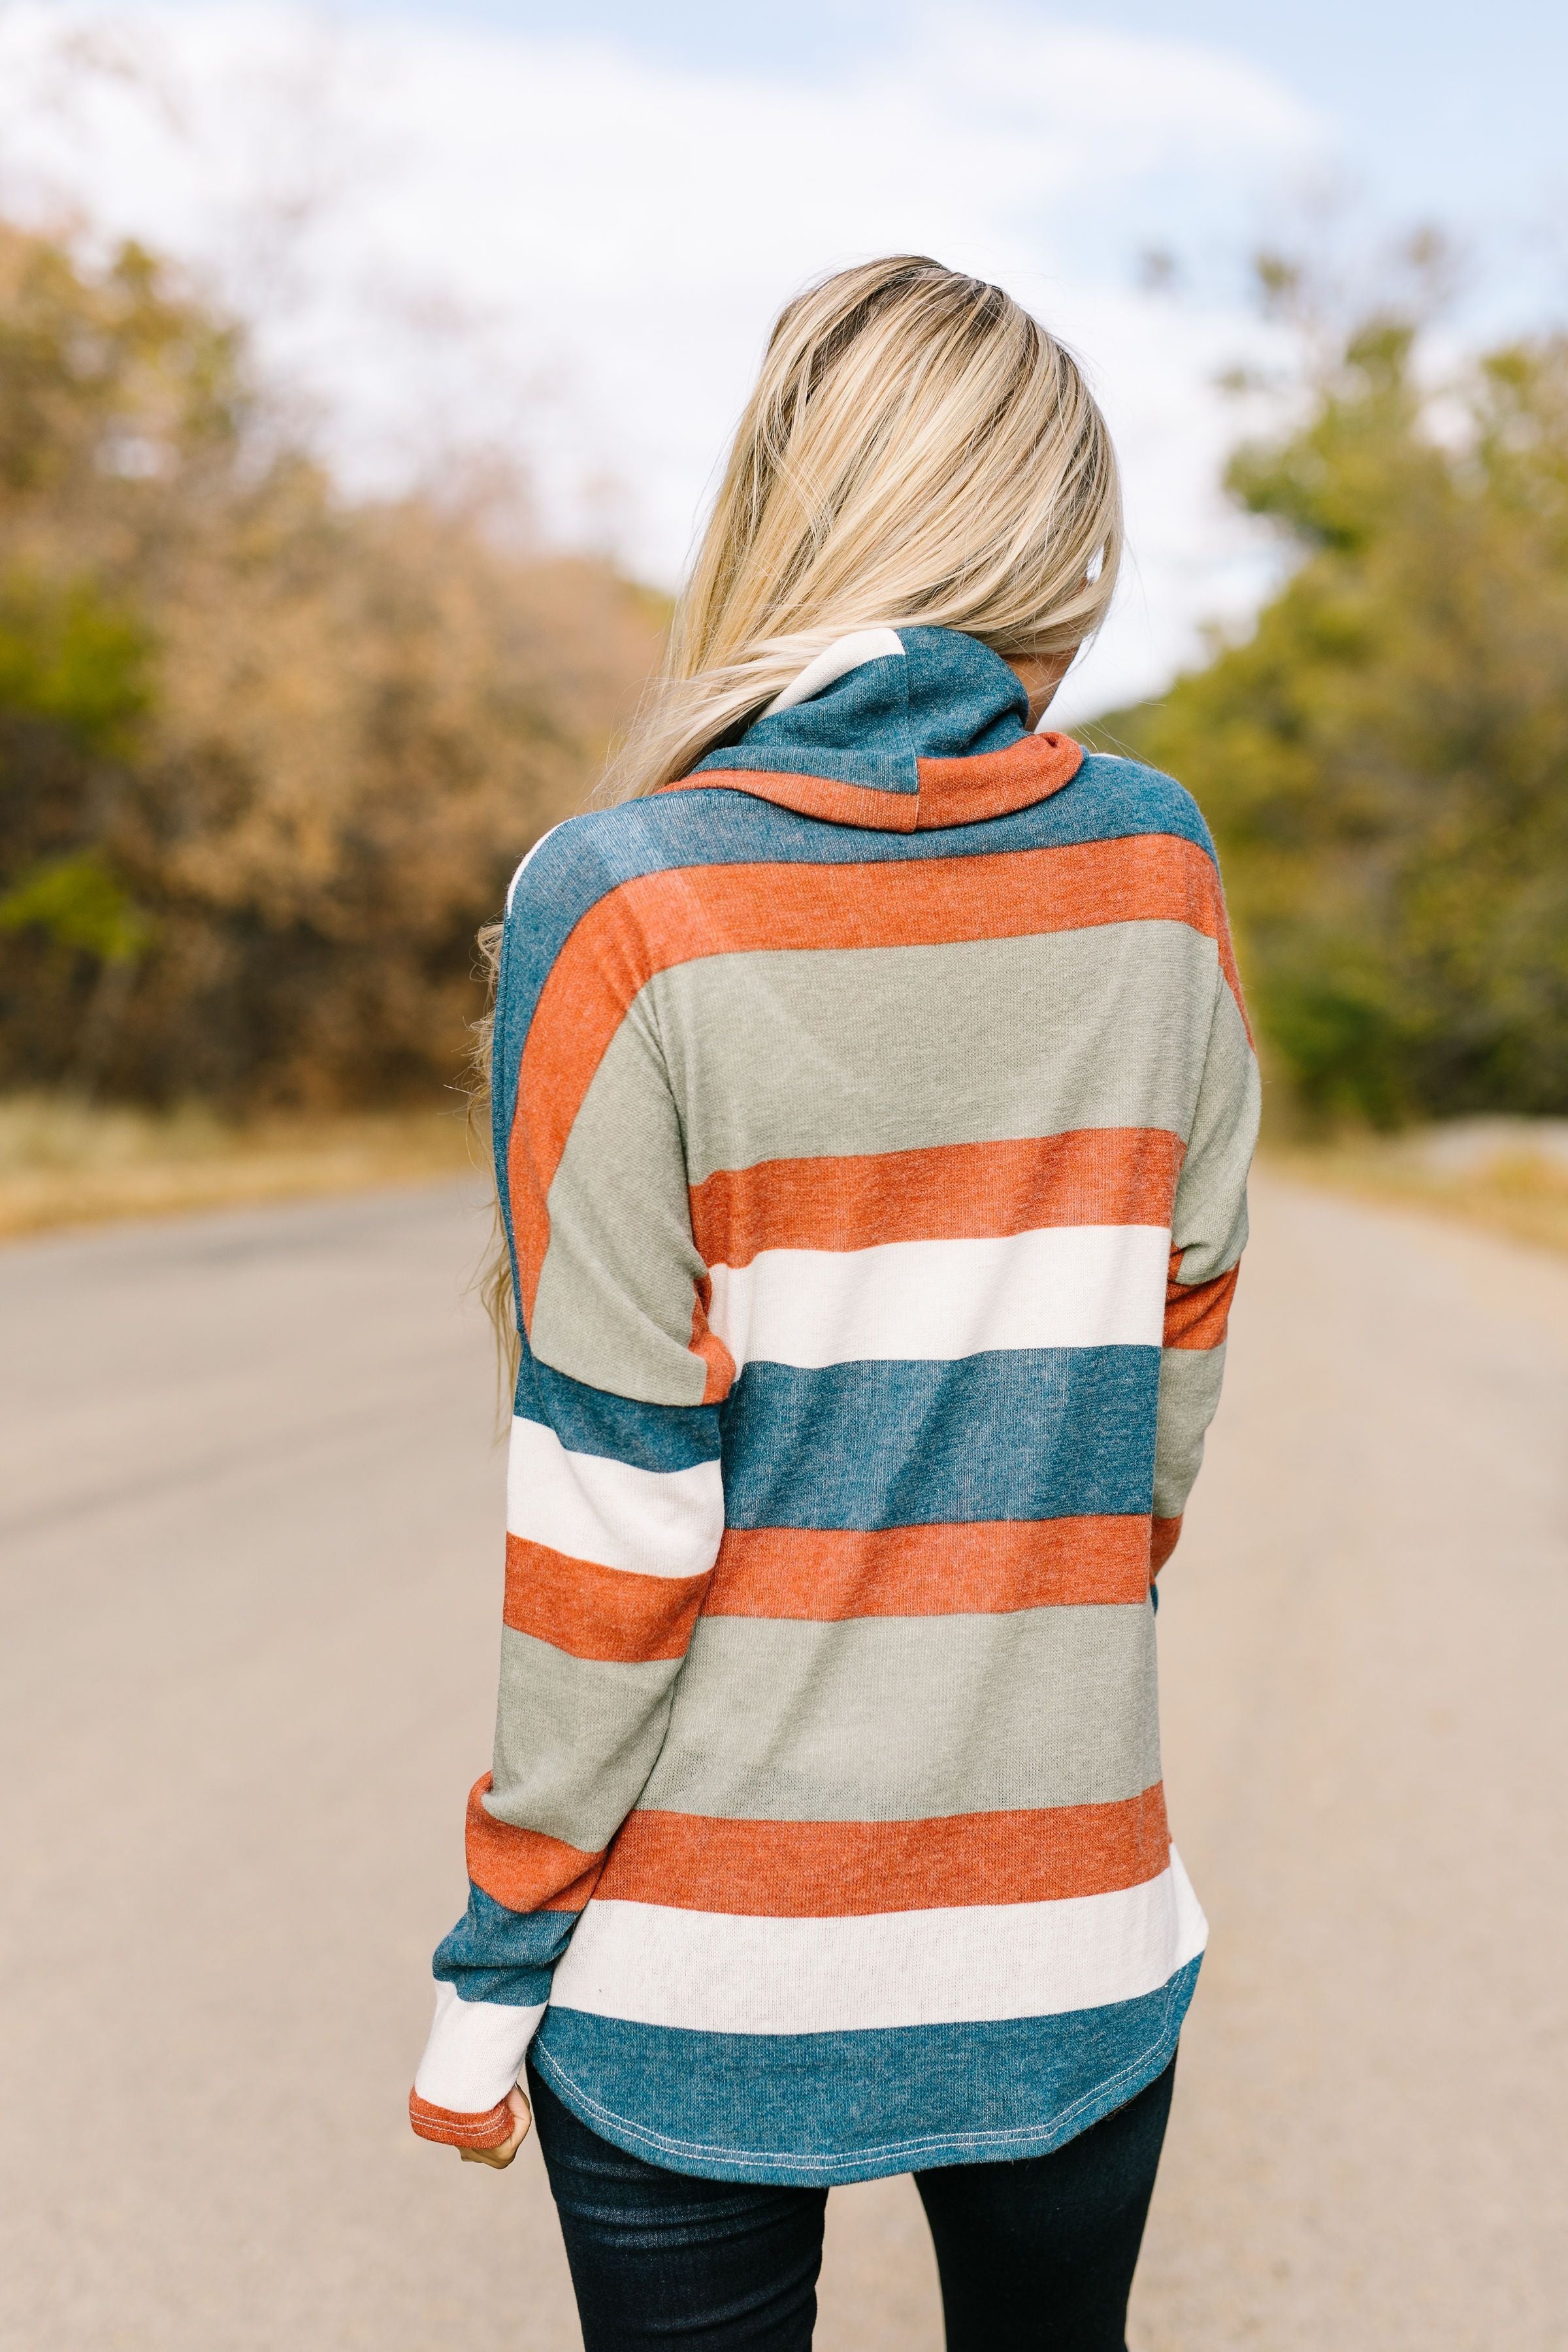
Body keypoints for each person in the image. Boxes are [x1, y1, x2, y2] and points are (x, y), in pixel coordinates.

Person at [408, 254, 1258, 2351]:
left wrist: (499, 1952)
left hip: (698, 1969)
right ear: (1048, 536)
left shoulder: (615, 903)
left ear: (785, 516)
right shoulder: (1158, 872)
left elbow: (613, 1516)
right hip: (1068, 1917)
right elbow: (1166, 1385)